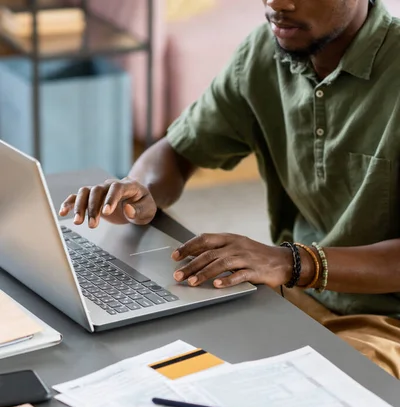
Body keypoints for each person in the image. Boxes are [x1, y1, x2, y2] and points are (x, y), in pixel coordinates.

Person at [60, 0, 400, 378]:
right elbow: (178, 150)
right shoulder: (263, 52)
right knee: (140, 354)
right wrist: (141, 190)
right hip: (294, 293)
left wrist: (289, 261)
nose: (276, 4)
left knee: (310, 392)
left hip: (386, 322)